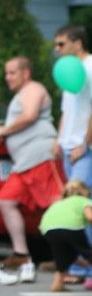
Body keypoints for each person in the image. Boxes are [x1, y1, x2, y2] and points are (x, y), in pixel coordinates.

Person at [0, 56, 61, 282]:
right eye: (7, 73)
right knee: (5, 201)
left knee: (56, 206)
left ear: (26, 73)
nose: (7, 77)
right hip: (24, 163)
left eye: (12, 72)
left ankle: (73, 258)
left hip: (40, 156)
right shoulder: (21, 94)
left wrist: (3, 130)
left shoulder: (34, 88)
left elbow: (29, 115)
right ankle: (21, 254)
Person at [52, 25, 92, 187]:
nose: (57, 49)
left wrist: (85, 144)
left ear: (78, 44)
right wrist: (59, 140)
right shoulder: (68, 69)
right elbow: (66, 111)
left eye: (62, 44)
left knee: (81, 203)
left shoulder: (90, 66)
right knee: (76, 203)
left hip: (84, 148)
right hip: (68, 147)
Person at [39, 180, 92, 292]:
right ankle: (84, 262)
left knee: (63, 255)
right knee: (88, 253)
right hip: (71, 227)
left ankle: (57, 284)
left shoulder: (59, 202)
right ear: (86, 192)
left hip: (48, 228)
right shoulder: (84, 200)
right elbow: (90, 216)